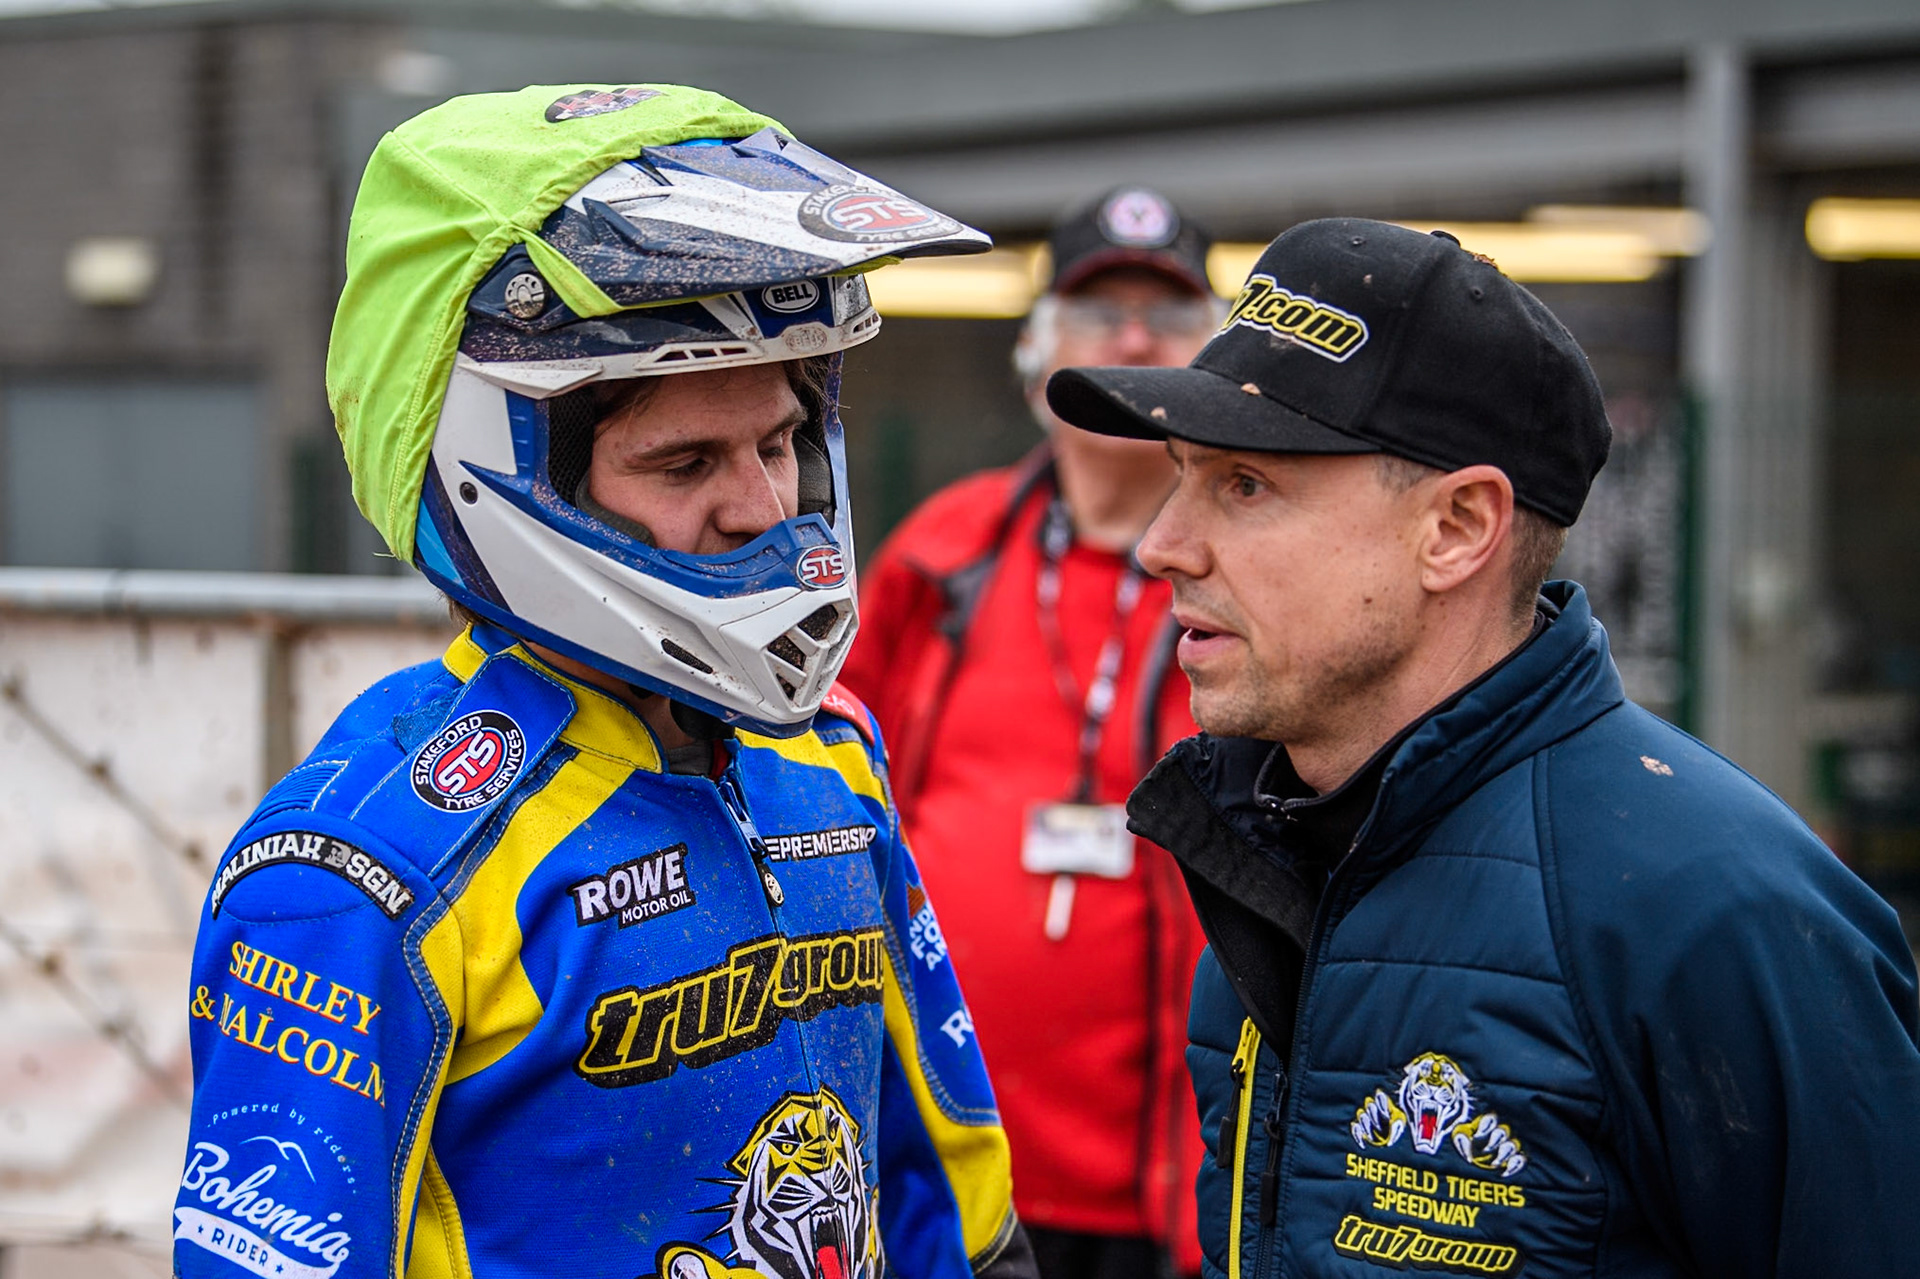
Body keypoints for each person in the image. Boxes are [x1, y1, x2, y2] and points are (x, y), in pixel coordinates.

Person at [172, 84, 1039, 1279]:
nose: (765, 506)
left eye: (780, 441)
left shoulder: (825, 754)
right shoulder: (362, 869)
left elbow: (947, 1182)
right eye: (686, 461)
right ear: (507, 475)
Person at [1045, 217, 1920, 1276]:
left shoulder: (1718, 913)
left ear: (1456, 528)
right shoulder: (1264, 853)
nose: (1160, 545)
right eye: (1180, 474)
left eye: (1244, 485)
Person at [840, 188, 1219, 1279]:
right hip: (943, 1164)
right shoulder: (948, 547)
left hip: (1165, 1190)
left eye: (1170, 315)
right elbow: (834, 774)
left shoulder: (1251, 573)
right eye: (1103, 314)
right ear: (1039, 350)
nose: (1136, 339)